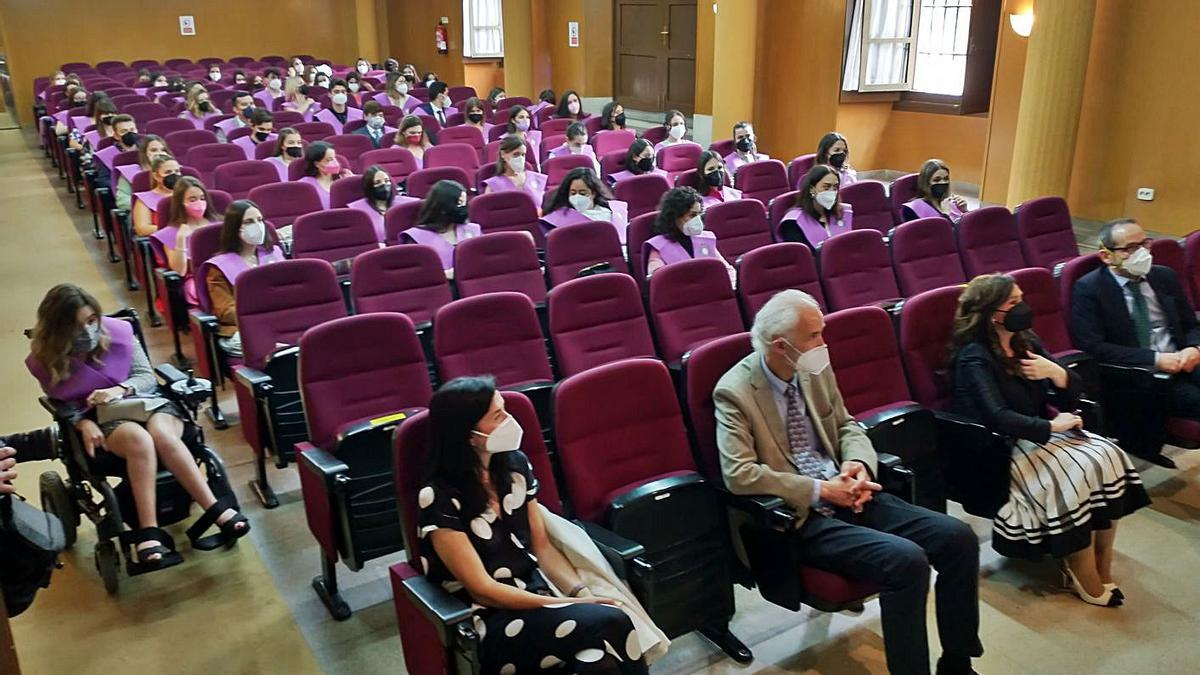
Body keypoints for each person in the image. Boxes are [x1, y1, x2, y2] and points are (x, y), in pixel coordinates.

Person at [715, 289, 984, 675]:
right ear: (780, 345)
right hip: (802, 517)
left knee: (958, 538)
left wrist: (858, 464)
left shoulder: (814, 369)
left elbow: (846, 425)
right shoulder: (734, 391)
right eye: (814, 336)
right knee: (906, 561)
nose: (823, 343)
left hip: (850, 493)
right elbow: (739, 474)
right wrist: (822, 490)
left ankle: (957, 662)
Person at [417, 375, 652, 675]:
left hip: (539, 597)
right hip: (490, 619)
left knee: (599, 665)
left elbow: (542, 548)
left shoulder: (514, 466)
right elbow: (482, 589)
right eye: (498, 416)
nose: (510, 421)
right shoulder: (438, 497)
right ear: (469, 435)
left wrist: (579, 593)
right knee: (612, 621)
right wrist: (567, 606)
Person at [951, 273, 1150, 605]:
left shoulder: (1024, 338)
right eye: (1013, 302)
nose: (1023, 307)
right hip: (1004, 448)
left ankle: (1102, 563)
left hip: (1042, 433)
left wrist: (1055, 373)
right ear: (991, 313)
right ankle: (1081, 569)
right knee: (1074, 475)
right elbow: (996, 417)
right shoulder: (974, 357)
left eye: (1022, 298)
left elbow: (1071, 386)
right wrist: (1053, 428)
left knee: (1106, 454)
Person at [26, 285, 250, 569]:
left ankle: (217, 511)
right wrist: (82, 423)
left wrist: (119, 390)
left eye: (92, 320)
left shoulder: (118, 332)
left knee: (162, 435)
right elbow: (63, 403)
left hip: (147, 403)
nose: (88, 330)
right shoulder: (45, 360)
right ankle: (149, 534)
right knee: (139, 442)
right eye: (77, 325)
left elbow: (146, 377)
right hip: (102, 418)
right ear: (59, 328)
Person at [1070, 218, 1200, 468]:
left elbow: (1190, 325)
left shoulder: (1163, 276)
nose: (1141, 252)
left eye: (1145, 243)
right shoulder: (1090, 289)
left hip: (1185, 360)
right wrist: (1155, 360)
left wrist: (1194, 348)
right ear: (1106, 256)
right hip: (1143, 374)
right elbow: (1093, 346)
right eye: (1130, 248)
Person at [202, 200, 286, 354]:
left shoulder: (275, 253)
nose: (257, 225)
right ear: (235, 228)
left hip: (282, 320)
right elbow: (226, 311)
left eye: (260, 220)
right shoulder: (218, 267)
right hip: (242, 327)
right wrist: (261, 315)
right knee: (263, 344)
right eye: (249, 222)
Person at [643, 187, 735, 287]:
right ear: (676, 216)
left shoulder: (705, 239)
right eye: (692, 215)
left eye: (699, 214)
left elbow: (727, 270)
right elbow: (657, 283)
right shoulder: (658, 247)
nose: (698, 220)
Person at [151, 176, 219, 306]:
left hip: (222, 276)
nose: (199, 203)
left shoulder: (219, 223)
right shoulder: (170, 232)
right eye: (192, 199)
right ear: (180, 202)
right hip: (196, 280)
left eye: (202, 198)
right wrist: (181, 240)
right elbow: (179, 271)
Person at [401, 180, 480, 279]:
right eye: (459, 203)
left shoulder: (473, 229)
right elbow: (414, 276)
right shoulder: (416, 238)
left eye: (465, 203)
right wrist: (444, 275)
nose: (463, 208)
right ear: (442, 207)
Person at [539, 167, 628, 242]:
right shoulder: (557, 218)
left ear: (593, 193)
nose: (577, 197)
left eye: (582, 193)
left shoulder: (612, 211)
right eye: (573, 193)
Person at [778, 165, 853, 246]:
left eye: (835, 187)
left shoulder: (843, 212)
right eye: (826, 187)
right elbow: (798, 254)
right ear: (811, 189)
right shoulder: (793, 222)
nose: (832, 192)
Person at [348, 165, 417, 242]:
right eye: (378, 182)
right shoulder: (357, 210)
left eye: (387, 181)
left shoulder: (407, 204)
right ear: (369, 187)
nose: (384, 185)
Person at [115, 134, 171, 216]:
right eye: (154, 150)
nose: (159, 153)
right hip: (142, 215)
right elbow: (122, 201)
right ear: (145, 153)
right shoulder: (129, 172)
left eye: (163, 150)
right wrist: (146, 207)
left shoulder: (176, 171)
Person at [902, 159, 969, 223]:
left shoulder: (951, 202)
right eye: (937, 180)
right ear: (926, 182)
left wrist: (965, 211)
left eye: (946, 179)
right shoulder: (914, 208)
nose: (943, 183)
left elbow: (966, 229)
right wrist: (945, 214)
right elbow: (939, 232)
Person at [130, 154, 181, 236]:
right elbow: (141, 229)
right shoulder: (144, 199)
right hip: (162, 239)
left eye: (177, 171)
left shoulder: (186, 194)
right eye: (168, 172)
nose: (174, 175)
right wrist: (174, 229)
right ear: (156, 176)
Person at [483, 136, 548, 200]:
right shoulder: (493, 185)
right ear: (503, 154)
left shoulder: (537, 179)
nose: (521, 158)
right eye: (516, 154)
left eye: (523, 155)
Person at [300, 141, 354, 209]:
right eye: (329, 160)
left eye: (334, 158)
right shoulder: (305, 184)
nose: (335, 162)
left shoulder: (346, 177)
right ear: (316, 164)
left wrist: (352, 182)